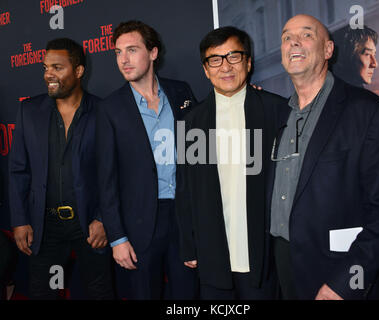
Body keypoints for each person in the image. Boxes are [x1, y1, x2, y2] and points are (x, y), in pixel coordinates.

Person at [268, 14, 379, 300]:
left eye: (306, 35)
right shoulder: (278, 114)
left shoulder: (368, 111)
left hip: (338, 277)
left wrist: (346, 283)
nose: (293, 41)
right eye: (285, 37)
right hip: (285, 270)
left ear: (328, 50)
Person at [176, 26, 287, 300]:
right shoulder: (192, 122)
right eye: (215, 59)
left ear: (248, 62)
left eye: (233, 57)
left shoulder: (277, 110)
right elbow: (185, 189)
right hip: (213, 249)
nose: (225, 66)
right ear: (205, 69)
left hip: (263, 251)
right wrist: (188, 245)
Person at [95, 20, 198, 300]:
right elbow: (106, 179)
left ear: (153, 53)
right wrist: (117, 238)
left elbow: (202, 152)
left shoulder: (181, 93)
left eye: (131, 50)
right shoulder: (109, 109)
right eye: (118, 52)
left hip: (182, 218)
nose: (124, 60)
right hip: (138, 224)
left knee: (187, 296)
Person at [9, 38, 114, 300]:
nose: (48, 75)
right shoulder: (29, 111)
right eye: (45, 67)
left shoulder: (104, 111)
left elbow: (111, 173)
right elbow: (18, 170)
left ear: (78, 71)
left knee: (98, 292)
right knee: (43, 292)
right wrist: (21, 220)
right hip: (45, 226)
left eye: (57, 67)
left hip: (89, 225)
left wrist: (103, 218)